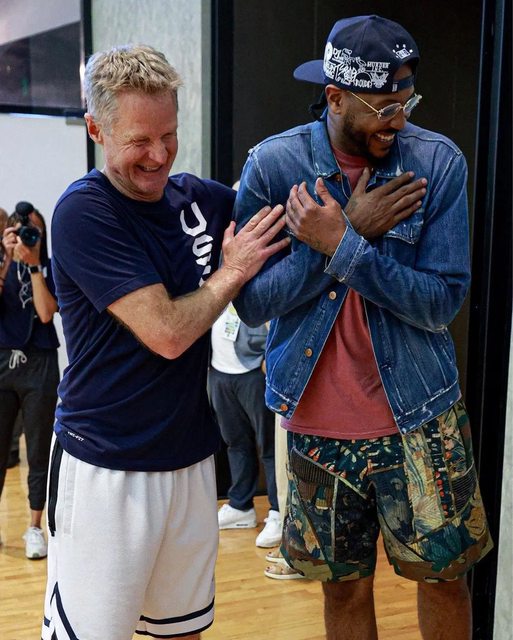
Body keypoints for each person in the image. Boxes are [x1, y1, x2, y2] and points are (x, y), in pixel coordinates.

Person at [233, 15, 492, 640]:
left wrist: (344, 245)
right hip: (316, 424)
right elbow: (253, 304)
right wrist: (345, 232)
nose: (398, 121)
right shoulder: (274, 166)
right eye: (383, 107)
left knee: (445, 579)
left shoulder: (436, 164)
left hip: (421, 417)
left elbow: (441, 303)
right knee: (343, 588)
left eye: (407, 102)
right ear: (335, 97)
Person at [41, 44, 288, 640]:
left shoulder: (197, 198)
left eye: (169, 136)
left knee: (182, 631)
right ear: (97, 131)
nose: (158, 156)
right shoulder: (83, 212)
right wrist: (233, 271)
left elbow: (284, 218)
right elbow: (169, 334)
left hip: (189, 461)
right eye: (140, 141)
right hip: (105, 467)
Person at [0, 202, 60, 558]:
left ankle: (35, 527)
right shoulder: (2, 262)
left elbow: (46, 313)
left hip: (40, 363)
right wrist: (6, 259)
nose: (27, 236)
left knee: (38, 451)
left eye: (34, 231)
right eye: (22, 230)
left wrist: (34, 263)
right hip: (2, 360)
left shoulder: (50, 266)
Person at [211, 303, 281, 547]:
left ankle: (278, 511)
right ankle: (240, 506)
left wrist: (270, 357)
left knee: (270, 446)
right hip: (219, 372)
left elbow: (278, 318)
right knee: (235, 442)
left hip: (254, 372)